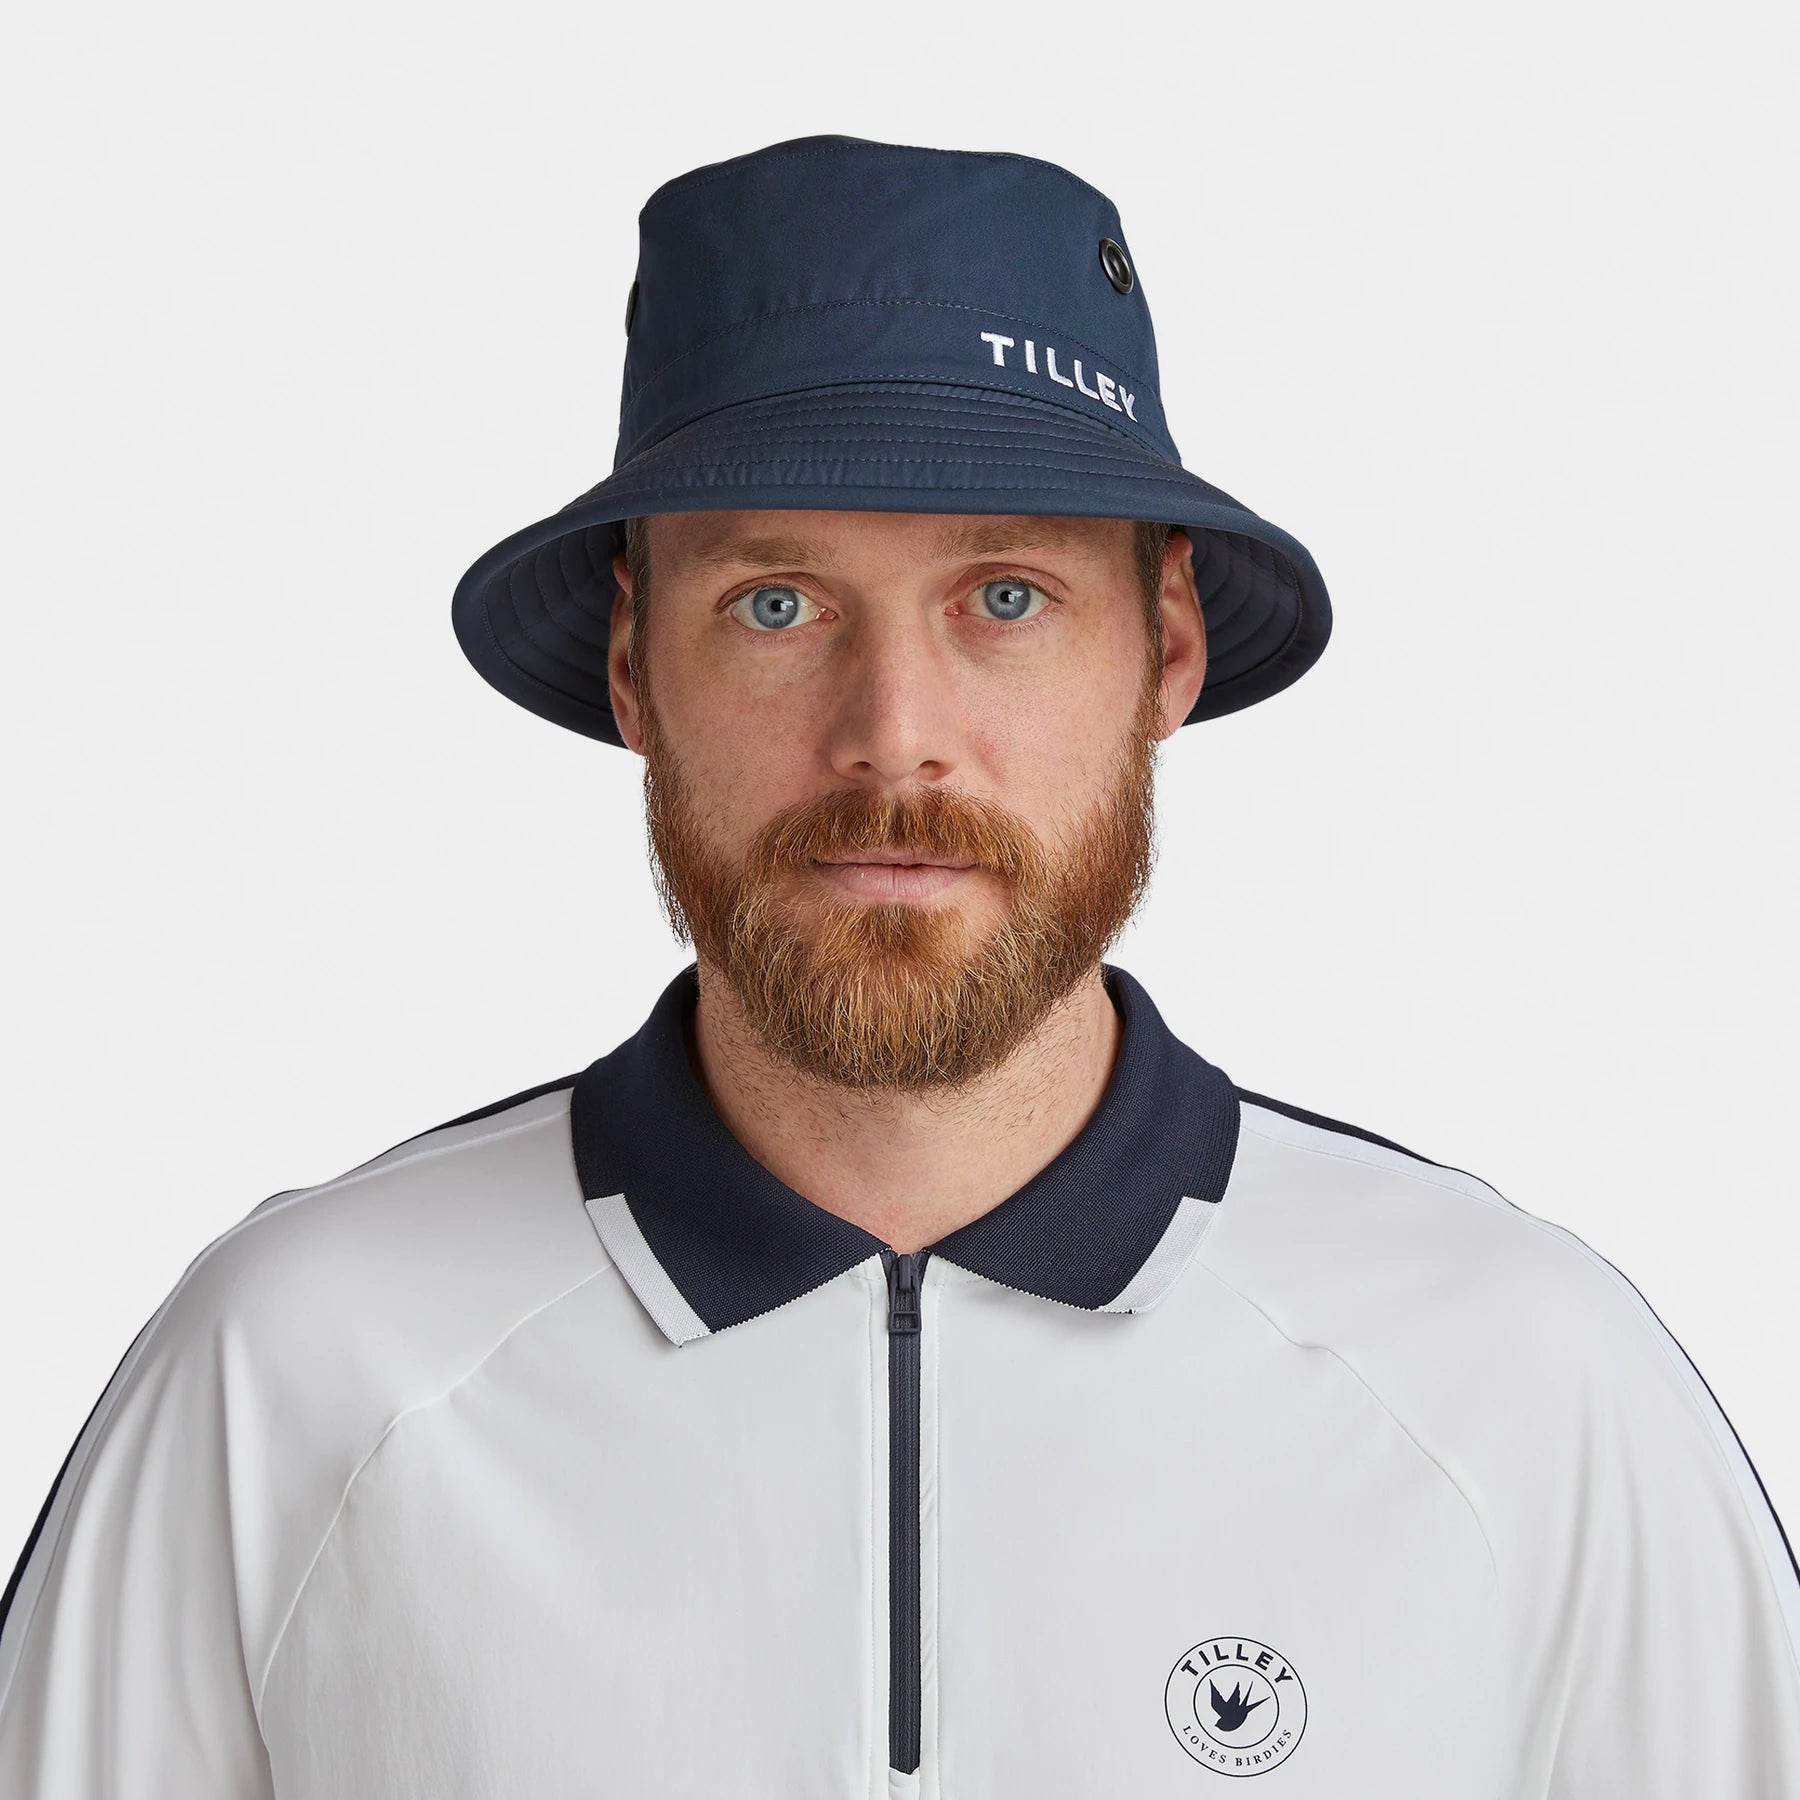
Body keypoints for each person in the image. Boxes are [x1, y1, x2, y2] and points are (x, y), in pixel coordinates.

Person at [1, 134, 1795, 1799]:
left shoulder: (1525, 1388)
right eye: (774, 604)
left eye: (1004, 596)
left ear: (1165, 649)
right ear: (633, 668)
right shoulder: (291, 1372)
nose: (892, 735)